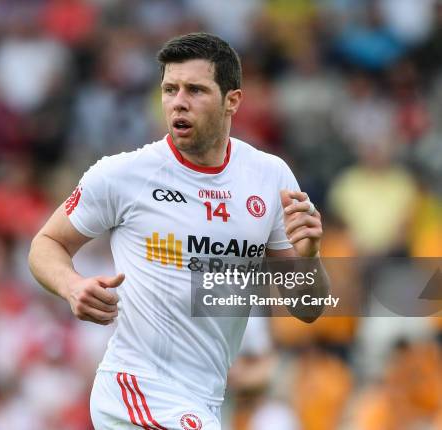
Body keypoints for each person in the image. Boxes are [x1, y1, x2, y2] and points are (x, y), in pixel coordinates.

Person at [29, 32, 325, 430]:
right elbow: (46, 243)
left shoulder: (270, 177)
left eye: (196, 90)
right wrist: (71, 286)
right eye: (170, 89)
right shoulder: (121, 175)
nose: (179, 101)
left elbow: (308, 309)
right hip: (136, 390)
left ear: (232, 101)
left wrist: (309, 258)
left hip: (205, 400)